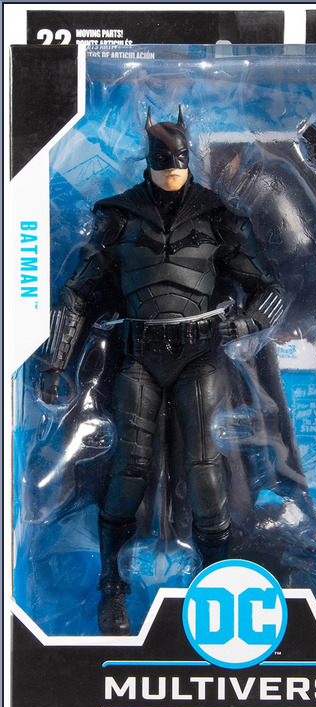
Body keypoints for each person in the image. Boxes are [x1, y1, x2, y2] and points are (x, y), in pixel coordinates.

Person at [40, 106, 284, 636]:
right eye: (163, 162)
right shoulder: (119, 217)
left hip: (200, 355)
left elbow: (268, 289)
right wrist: (56, 360)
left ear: (189, 159)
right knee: (129, 468)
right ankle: (112, 585)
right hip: (138, 356)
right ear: (149, 161)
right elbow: (77, 292)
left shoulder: (217, 215)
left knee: (203, 469)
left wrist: (247, 323)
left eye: (179, 162)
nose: (173, 171)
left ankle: (219, 585)